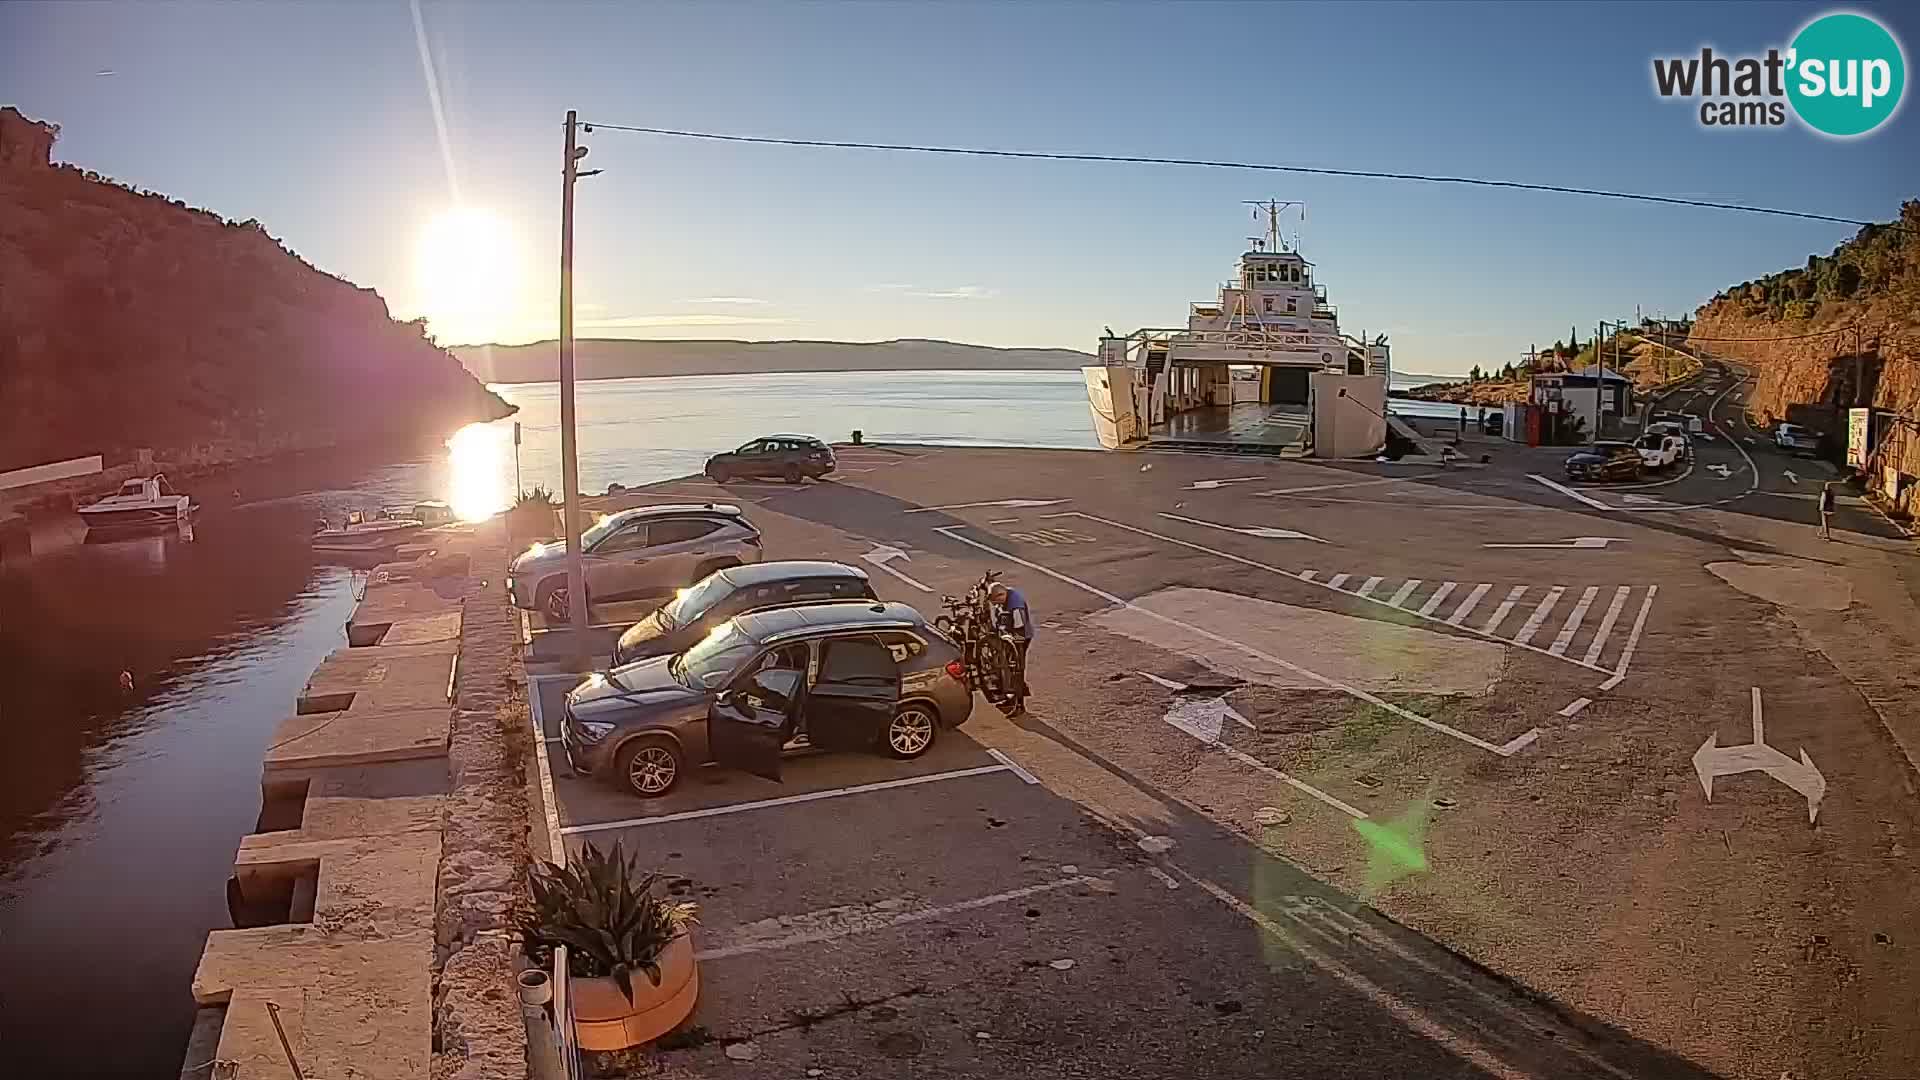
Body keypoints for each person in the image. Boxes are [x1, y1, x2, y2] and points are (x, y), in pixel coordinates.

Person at [987, 580, 1033, 705]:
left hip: (1020, 637)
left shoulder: (1016, 605)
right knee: (1008, 667)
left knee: (1016, 669)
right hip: (1011, 635)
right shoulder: (1005, 595)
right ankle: (1012, 695)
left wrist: (1014, 644)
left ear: (1001, 595)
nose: (996, 605)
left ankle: (1019, 703)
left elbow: (1019, 627)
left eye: (996, 602)